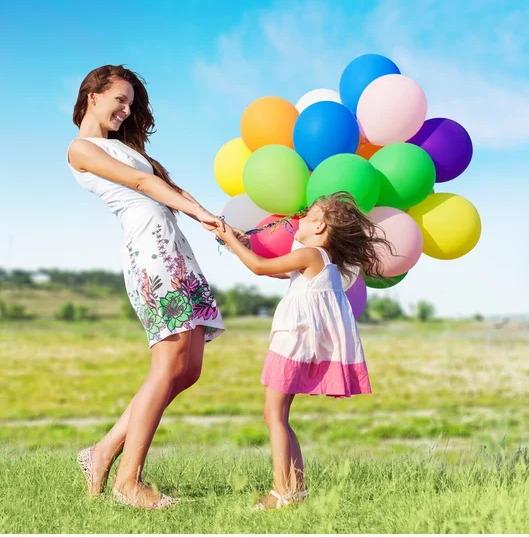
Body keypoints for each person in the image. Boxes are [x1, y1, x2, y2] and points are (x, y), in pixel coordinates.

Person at [68, 64, 239, 510]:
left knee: (188, 369)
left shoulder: (124, 148)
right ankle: (129, 482)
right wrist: (202, 213)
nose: (126, 110)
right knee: (166, 367)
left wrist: (217, 223)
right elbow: (144, 185)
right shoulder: (81, 148)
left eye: (131, 102)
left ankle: (102, 451)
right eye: (119, 99)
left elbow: (164, 184)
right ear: (92, 95)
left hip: (175, 248)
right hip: (151, 253)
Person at [213, 192, 392, 510]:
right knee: (278, 416)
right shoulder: (319, 260)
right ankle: (295, 490)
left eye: (308, 215)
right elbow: (278, 270)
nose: (299, 218)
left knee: (274, 416)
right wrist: (240, 243)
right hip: (296, 343)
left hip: (291, 344)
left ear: (321, 227)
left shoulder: (312, 255)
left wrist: (228, 235)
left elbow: (259, 268)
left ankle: (282, 492)